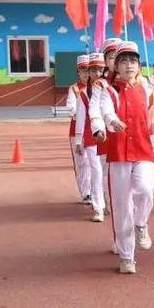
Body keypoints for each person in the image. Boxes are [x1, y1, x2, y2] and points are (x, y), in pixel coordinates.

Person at [91, 41, 154, 274]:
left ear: (139, 65)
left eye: (134, 61)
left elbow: (152, 123)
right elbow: (105, 110)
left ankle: (142, 223)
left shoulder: (147, 89)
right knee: (120, 206)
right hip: (118, 153)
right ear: (116, 66)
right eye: (124, 61)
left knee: (146, 189)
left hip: (143, 150)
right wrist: (109, 122)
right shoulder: (107, 89)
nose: (129, 65)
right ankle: (127, 257)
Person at [75, 53, 107, 222]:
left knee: (107, 172)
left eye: (100, 70)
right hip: (91, 137)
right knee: (96, 172)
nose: (96, 74)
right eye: (93, 70)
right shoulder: (83, 94)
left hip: (109, 137)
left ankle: (107, 200)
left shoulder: (110, 90)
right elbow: (80, 118)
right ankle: (98, 208)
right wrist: (78, 141)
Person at [66, 56, 91, 205]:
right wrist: (83, 114)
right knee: (81, 162)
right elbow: (71, 108)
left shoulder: (98, 87)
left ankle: (96, 191)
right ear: (78, 72)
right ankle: (86, 193)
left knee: (94, 162)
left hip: (93, 130)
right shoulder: (74, 89)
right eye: (83, 70)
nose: (86, 73)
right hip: (76, 131)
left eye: (89, 70)